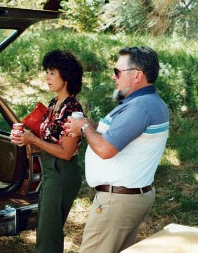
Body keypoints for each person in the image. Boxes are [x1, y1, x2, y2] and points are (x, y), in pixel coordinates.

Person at [64, 46, 169, 252]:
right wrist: (90, 126)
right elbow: (115, 136)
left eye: (117, 72)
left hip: (117, 201)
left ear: (137, 75)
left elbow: (106, 149)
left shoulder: (140, 107)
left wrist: (84, 127)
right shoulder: (144, 102)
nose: (114, 77)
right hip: (127, 198)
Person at [11, 49, 84, 253]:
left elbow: (66, 153)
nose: (47, 77)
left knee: (48, 236)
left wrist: (33, 139)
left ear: (66, 76)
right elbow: (46, 141)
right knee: (45, 230)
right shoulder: (54, 104)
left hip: (62, 172)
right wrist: (25, 139)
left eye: (52, 72)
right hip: (50, 172)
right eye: (47, 72)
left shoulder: (72, 110)